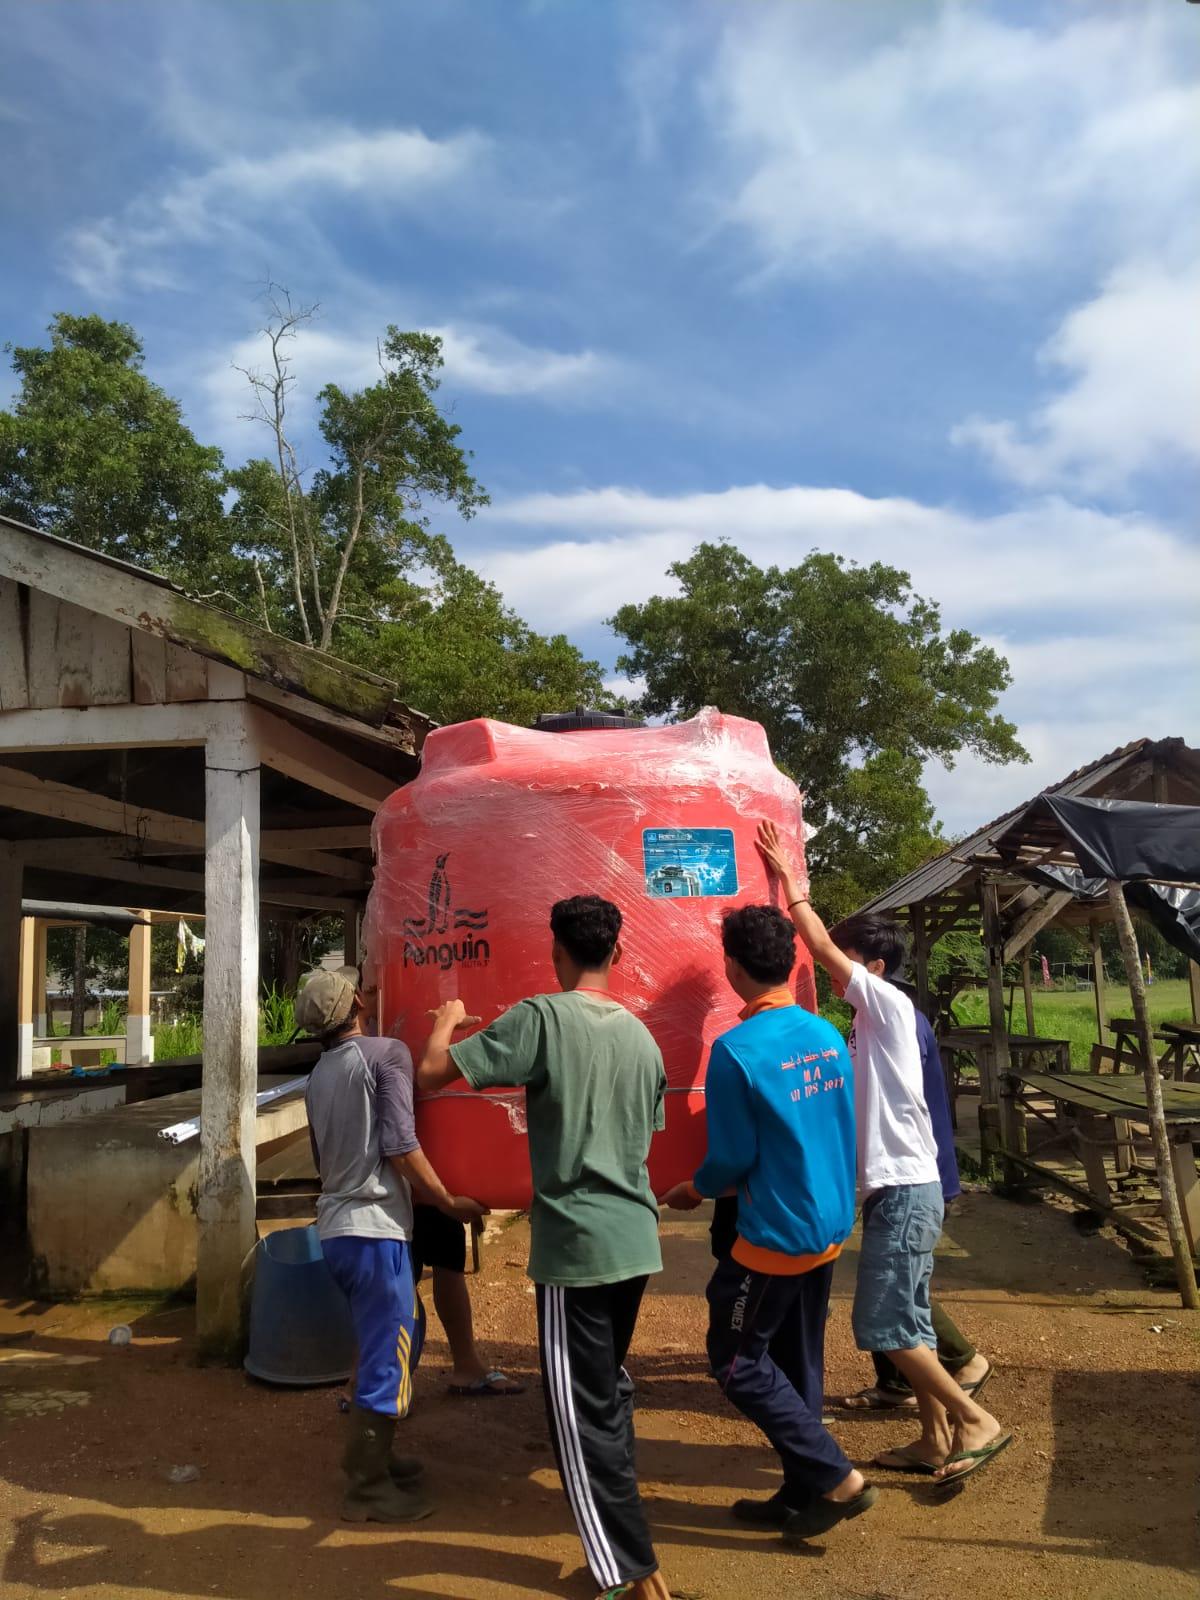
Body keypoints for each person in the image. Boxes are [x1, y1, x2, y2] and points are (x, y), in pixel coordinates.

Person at [416, 896, 674, 1600]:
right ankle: (625, 1556)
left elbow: (432, 1074)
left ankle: (631, 1571)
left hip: (577, 1250)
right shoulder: (643, 1038)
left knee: (579, 1418)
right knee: (606, 1395)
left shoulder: (540, 1019)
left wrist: (445, 1022)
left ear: (556, 951)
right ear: (617, 954)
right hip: (635, 1242)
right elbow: (643, 1134)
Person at [757, 821, 1011, 1487]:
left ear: (871, 968)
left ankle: (974, 1421)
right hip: (895, 1190)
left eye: (847, 962)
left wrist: (788, 879)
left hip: (905, 1189)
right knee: (911, 1323)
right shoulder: (870, 1027)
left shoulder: (889, 1003)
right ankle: (934, 1437)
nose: (834, 971)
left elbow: (816, 946)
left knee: (883, 1324)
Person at [663, 905, 873, 1542]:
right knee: (796, 1356)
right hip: (828, 1222)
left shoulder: (736, 1052)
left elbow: (732, 1157)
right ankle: (801, 1490)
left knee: (735, 1361)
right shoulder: (825, 1034)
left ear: (732, 966)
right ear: (789, 962)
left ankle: (836, 1476)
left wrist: (693, 1189)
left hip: (776, 1233)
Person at [298, 966, 487, 1523]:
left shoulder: (317, 1077)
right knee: (388, 1354)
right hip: (375, 1230)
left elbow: (322, 1158)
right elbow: (401, 1144)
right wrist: (447, 1201)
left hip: (338, 1231)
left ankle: (377, 1456)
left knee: (392, 1334)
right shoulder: (387, 1054)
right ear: (359, 1002)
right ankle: (367, 1485)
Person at [355, 972, 524, 1400]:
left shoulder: (404, 1016)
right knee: (398, 1283)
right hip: (400, 1175)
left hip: (432, 1164)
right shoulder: (371, 1043)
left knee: (445, 1266)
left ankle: (462, 1365)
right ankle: (375, 1382)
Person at [843, 986, 993, 1421]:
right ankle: (901, 1387)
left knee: (896, 1294)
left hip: (915, 1170)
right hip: (906, 1172)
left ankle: (963, 1365)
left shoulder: (896, 1018)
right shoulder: (867, 1024)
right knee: (900, 1287)